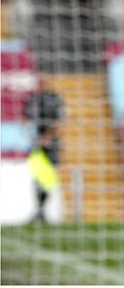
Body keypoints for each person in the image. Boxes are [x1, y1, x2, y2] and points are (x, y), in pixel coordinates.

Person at [24, 73, 64, 223]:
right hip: (35, 146)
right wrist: (30, 135)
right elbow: (25, 118)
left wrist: (47, 137)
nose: (40, 84)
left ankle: (43, 211)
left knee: (48, 178)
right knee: (37, 178)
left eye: (43, 81)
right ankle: (39, 211)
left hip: (51, 145)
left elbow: (60, 123)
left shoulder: (54, 99)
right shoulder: (32, 100)